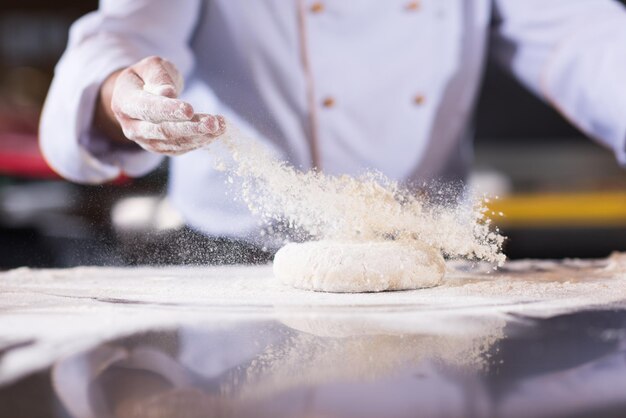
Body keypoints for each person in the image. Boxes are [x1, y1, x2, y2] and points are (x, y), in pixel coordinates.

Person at [41, 0, 626, 252]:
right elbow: (123, 38)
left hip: (426, 262)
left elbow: (586, 42)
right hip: (228, 264)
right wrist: (124, 96)